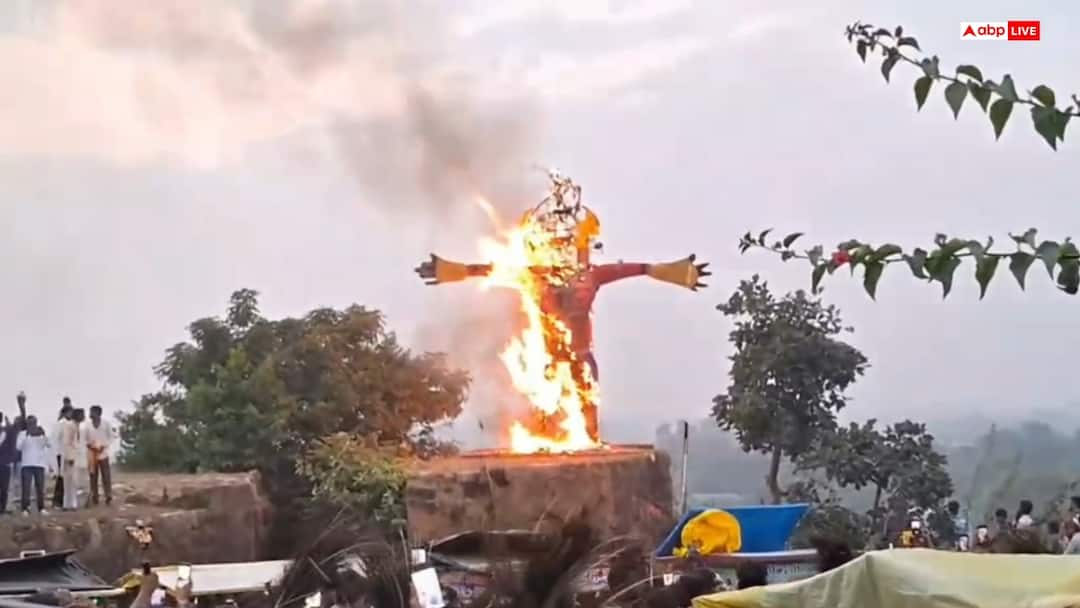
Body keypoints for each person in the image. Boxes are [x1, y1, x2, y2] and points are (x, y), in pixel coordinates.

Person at [16, 416, 51, 515]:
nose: (32, 425)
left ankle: (41, 508)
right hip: (26, 464)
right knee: (26, 488)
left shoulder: (40, 434)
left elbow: (48, 444)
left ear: (36, 423)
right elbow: (18, 447)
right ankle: (25, 508)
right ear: (27, 424)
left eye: (33, 423)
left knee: (40, 488)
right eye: (30, 423)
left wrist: (43, 435)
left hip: (39, 464)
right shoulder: (22, 434)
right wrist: (27, 435)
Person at [0, 393, 28, 513]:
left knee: (6, 488)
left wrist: (21, 405)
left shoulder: (9, 431)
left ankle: (3, 508)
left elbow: (22, 419)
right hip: (6, 463)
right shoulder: (8, 430)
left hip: (6, 463)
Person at [85, 405, 114, 506]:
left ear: (98, 413)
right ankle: (95, 497)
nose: (90, 414)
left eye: (92, 412)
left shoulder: (106, 424)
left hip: (103, 453)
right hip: (91, 454)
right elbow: (84, 439)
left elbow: (111, 437)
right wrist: (89, 445)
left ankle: (108, 496)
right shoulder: (87, 425)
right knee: (93, 476)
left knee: (106, 476)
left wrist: (103, 446)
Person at [58, 405, 81, 511]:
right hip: (70, 457)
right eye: (81, 414)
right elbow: (67, 442)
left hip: (75, 456)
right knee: (69, 481)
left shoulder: (77, 425)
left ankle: (70, 504)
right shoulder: (70, 425)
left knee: (73, 481)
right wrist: (69, 457)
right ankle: (69, 504)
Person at [51, 399, 73, 509]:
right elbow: (56, 439)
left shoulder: (70, 424)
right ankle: (57, 501)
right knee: (61, 478)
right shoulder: (60, 424)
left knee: (68, 479)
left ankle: (65, 502)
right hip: (61, 454)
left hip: (68, 454)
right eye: (70, 412)